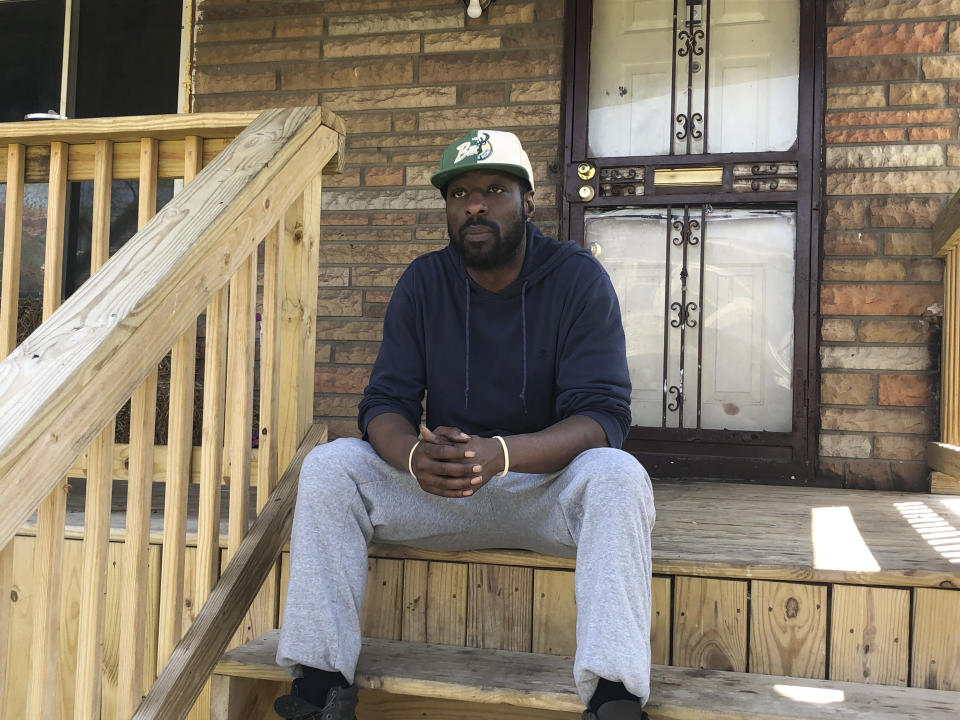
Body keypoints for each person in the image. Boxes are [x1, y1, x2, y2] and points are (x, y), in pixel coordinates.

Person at [274, 130, 655, 720]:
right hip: (441, 492)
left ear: (529, 202)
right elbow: (384, 403)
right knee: (330, 465)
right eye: (459, 193)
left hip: (544, 492)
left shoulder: (578, 279)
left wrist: (501, 454)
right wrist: (409, 457)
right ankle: (320, 685)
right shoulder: (424, 282)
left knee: (619, 475)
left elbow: (603, 416)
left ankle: (613, 697)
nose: (474, 205)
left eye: (494, 189)